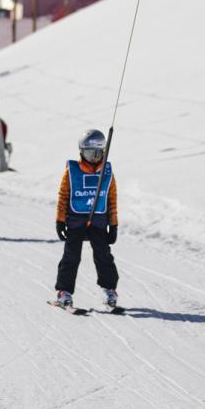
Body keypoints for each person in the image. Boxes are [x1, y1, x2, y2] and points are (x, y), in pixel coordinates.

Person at [53, 129, 120, 309]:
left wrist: (113, 225)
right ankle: (64, 292)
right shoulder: (72, 171)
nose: (95, 157)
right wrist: (60, 220)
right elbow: (63, 196)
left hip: (98, 223)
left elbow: (111, 198)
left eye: (99, 153)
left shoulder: (107, 171)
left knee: (103, 255)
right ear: (82, 152)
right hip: (75, 221)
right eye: (91, 153)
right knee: (71, 256)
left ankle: (109, 290)